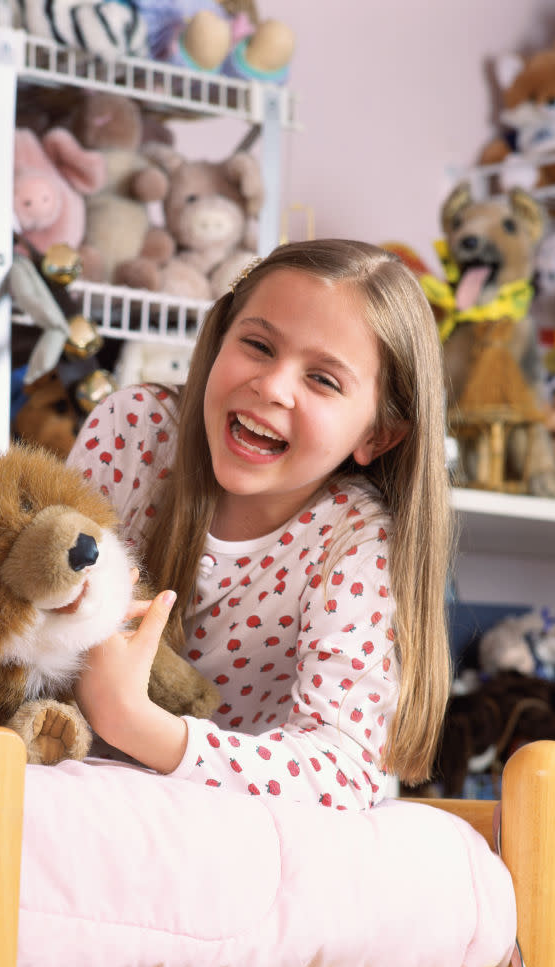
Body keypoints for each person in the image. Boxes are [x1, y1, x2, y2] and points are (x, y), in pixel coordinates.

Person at [68, 238, 453, 810]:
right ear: (220, 337)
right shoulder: (135, 431)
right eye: (257, 345)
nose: (272, 387)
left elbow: (342, 771)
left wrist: (135, 724)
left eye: (324, 380)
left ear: (377, 435)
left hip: (235, 829)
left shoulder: (351, 538)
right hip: (80, 791)